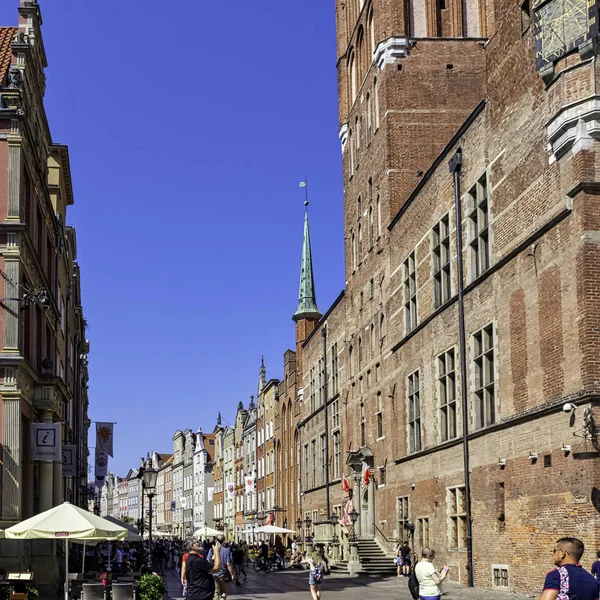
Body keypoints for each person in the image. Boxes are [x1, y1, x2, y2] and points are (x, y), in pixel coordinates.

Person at [210, 536, 235, 600]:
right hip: (223, 574)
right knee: (224, 592)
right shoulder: (227, 551)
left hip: (214, 574)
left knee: (216, 591)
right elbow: (228, 564)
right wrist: (231, 574)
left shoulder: (212, 550)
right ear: (223, 541)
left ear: (216, 540)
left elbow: (208, 561)